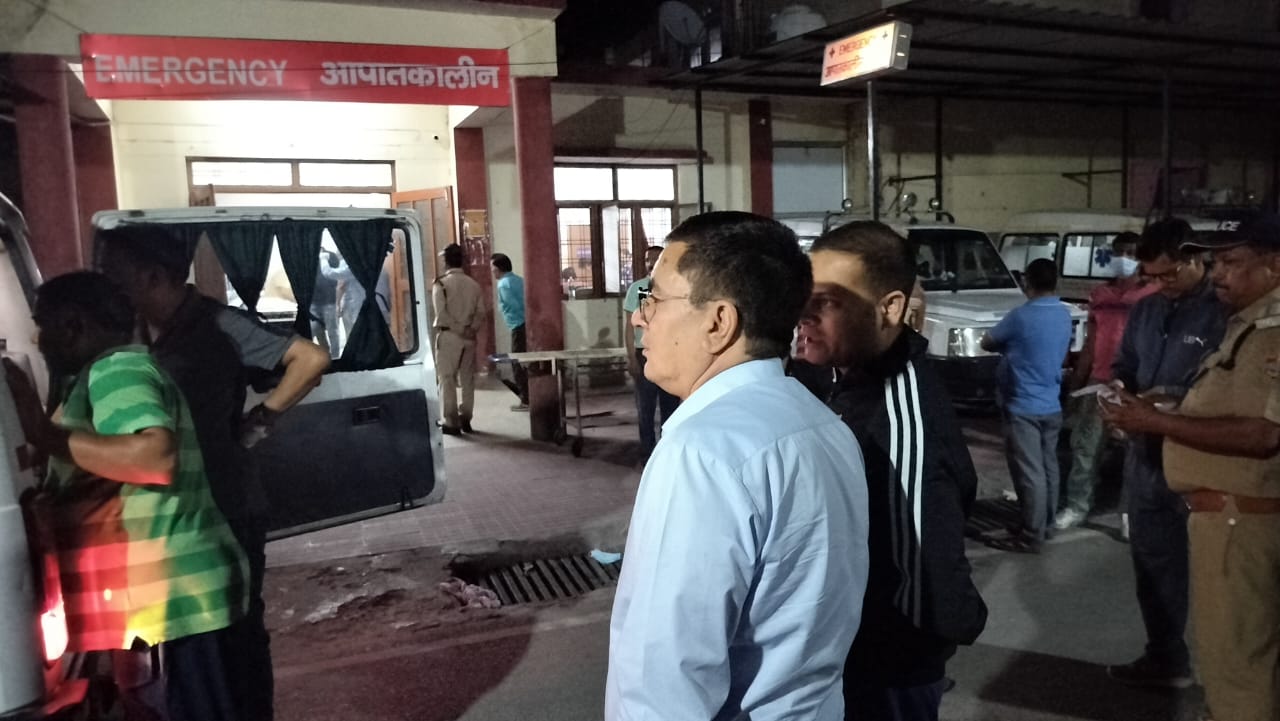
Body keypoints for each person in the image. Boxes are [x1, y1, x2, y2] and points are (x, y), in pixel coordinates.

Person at [605, 211, 869, 721]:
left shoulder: (702, 452)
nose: (639, 317)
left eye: (653, 298)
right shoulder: (823, 425)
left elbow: (664, 679)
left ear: (718, 322)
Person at [98, 224, 330, 721]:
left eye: (115, 275)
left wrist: (261, 419)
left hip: (227, 505)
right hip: (177, 517)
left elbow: (310, 359)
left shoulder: (218, 323)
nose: (108, 286)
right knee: (194, 645)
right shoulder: (137, 333)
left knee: (236, 634)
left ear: (153, 275)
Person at [4, 271, 248, 721]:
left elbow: (153, 457)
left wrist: (44, 433)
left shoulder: (116, 370)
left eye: (42, 326)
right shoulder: (104, 374)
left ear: (72, 325)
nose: (37, 340)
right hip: (166, 601)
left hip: (168, 603)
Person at [795, 221, 987, 721]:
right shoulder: (841, 379)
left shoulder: (902, 419)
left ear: (891, 308)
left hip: (885, 667)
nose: (804, 315)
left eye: (828, 302)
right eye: (803, 297)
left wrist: (913, 655)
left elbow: (928, 573)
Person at [1103, 213, 1280, 721]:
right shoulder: (1164, 313)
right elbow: (1130, 368)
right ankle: (1169, 659)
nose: (1219, 272)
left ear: (1273, 265)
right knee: (1219, 634)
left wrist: (1158, 416)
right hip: (1174, 478)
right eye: (1216, 261)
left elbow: (1264, 432)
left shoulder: (1250, 324)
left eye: (1230, 261)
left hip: (1239, 513)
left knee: (1239, 653)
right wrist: (1130, 402)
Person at [1101, 217, 1226, 689]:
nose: (1161, 284)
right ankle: (1167, 658)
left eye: (1169, 273)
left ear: (1196, 259)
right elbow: (1126, 365)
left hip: (1204, 461)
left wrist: (1167, 399)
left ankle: (1231, 681)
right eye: (1151, 276)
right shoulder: (1146, 310)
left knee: (1222, 574)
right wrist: (1118, 392)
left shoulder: (1225, 312)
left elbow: (1227, 391)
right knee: (1154, 567)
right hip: (1147, 460)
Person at [1057, 232, 1157, 530]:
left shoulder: (1152, 295)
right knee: (1086, 447)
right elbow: (1091, 342)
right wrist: (1077, 383)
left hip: (1135, 385)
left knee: (1134, 454)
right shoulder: (1100, 295)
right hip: (1099, 381)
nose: (1124, 258)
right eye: (1119, 252)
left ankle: (1128, 514)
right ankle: (1077, 506)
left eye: (1131, 252)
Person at [980, 258, 1073, 553]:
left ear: (1027, 282)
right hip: (1052, 402)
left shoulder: (1021, 316)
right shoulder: (1063, 314)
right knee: (1048, 467)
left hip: (1023, 404)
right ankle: (1045, 524)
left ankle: (1031, 534)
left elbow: (987, 341)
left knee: (1030, 472)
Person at [621, 245, 680, 457]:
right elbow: (630, 327)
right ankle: (648, 455)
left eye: (656, 259)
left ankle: (667, 455)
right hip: (644, 354)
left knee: (671, 408)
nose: (651, 263)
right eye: (648, 259)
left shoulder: (675, 287)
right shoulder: (641, 288)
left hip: (670, 354)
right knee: (645, 409)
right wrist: (631, 358)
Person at [433, 243, 484, 435]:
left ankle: (452, 421)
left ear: (445, 262)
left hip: (449, 336)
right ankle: (466, 417)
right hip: (469, 338)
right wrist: (471, 329)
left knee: (447, 378)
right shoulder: (474, 284)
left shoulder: (441, 284)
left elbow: (441, 314)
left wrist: (459, 329)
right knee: (467, 379)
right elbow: (480, 313)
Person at [490, 253, 529, 410]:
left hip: (518, 325)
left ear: (499, 269)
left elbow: (514, 306)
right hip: (527, 324)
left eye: (493, 268)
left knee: (516, 362)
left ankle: (526, 399)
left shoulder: (503, 284)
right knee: (524, 361)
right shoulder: (519, 280)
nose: (492, 271)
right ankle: (528, 394)